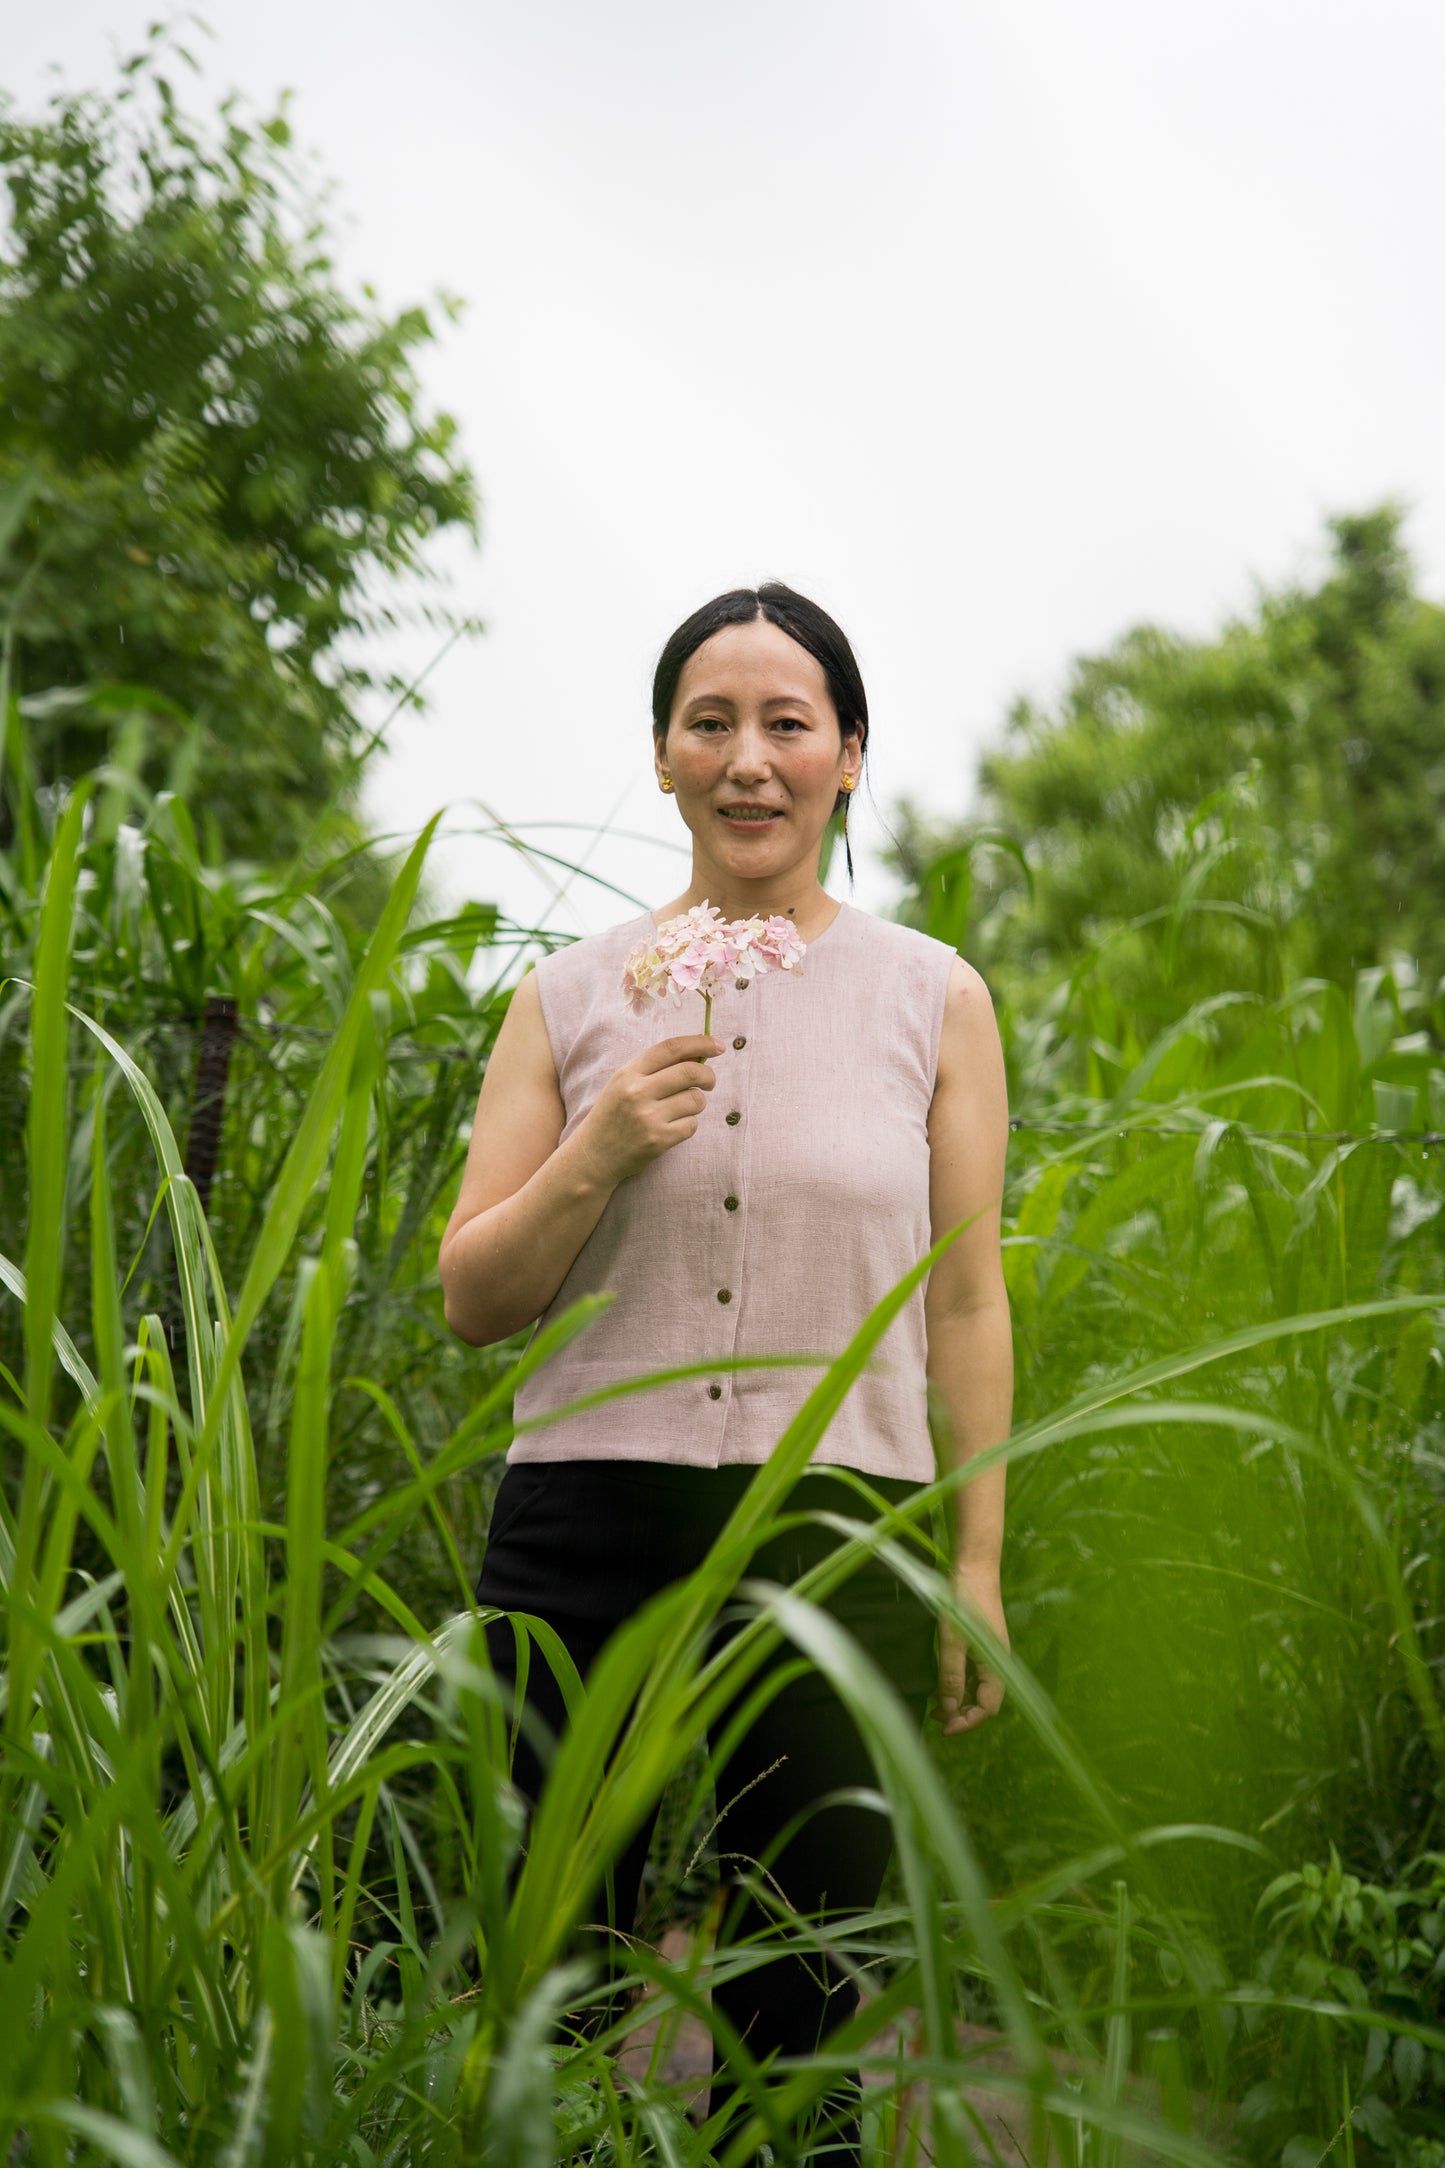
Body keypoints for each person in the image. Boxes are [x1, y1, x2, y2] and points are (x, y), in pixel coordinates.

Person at [438, 583, 1012, 2161]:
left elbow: (964, 1300)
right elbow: (471, 1296)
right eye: (712, 722)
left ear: (847, 755)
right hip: (584, 1520)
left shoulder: (934, 996)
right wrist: (598, 1147)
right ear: (661, 755)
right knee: (545, 1981)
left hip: (843, 1523)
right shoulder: (566, 997)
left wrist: (973, 1554)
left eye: (786, 723)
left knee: (806, 1999)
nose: (748, 757)